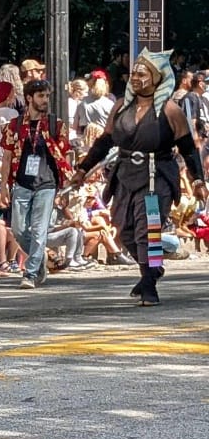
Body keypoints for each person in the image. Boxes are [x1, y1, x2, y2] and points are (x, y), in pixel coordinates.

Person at [71, 49, 208, 305]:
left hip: (156, 176)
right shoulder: (121, 105)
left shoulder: (169, 110)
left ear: (156, 78)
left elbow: (189, 148)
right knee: (125, 231)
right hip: (124, 175)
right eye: (133, 73)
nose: (135, 78)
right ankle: (153, 269)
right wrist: (83, 168)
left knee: (150, 231)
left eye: (142, 74)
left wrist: (198, 179)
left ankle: (148, 284)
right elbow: (105, 141)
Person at [0, 79, 74, 290]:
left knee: (40, 230)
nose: (45, 100)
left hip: (47, 185)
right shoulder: (14, 126)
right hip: (22, 183)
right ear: (29, 98)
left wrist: (67, 187)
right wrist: (4, 185)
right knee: (18, 229)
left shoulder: (55, 125)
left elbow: (65, 156)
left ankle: (30, 273)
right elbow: (6, 157)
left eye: (47, 96)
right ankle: (38, 258)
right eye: (41, 96)